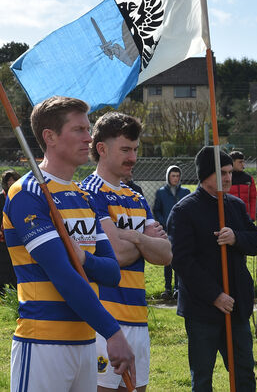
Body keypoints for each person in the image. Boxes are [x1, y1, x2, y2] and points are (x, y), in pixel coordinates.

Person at [4, 96, 135, 392]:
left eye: (88, 129)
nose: (89, 138)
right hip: (42, 343)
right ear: (49, 137)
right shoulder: (27, 193)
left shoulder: (83, 196)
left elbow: (113, 273)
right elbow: (62, 275)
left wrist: (85, 259)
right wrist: (113, 332)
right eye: (79, 130)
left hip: (86, 342)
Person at [81, 111, 172, 392]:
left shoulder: (136, 196)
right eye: (125, 149)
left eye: (135, 149)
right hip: (105, 320)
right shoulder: (87, 193)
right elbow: (116, 255)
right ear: (101, 148)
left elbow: (167, 255)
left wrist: (130, 236)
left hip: (138, 319)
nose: (132, 157)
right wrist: (144, 241)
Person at [167, 147, 257, 392]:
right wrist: (215, 295)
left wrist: (236, 238)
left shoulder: (235, 205)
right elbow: (182, 261)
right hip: (203, 310)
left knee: (244, 372)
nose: (229, 178)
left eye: (230, 172)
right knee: (202, 378)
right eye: (222, 173)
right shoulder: (184, 211)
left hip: (236, 307)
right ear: (205, 176)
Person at [153, 164, 190, 300]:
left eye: (177, 176)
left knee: (179, 259)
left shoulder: (185, 192)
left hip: (180, 231)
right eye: (173, 176)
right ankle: (167, 288)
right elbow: (157, 210)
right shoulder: (161, 192)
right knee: (167, 260)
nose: (175, 178)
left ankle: (178, 288)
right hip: (167, 231)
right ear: (168, 177)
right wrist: (163, 222)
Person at [0, 169, 20, 301]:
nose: (10, 183)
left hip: (17, 240)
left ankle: (15, 298)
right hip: (0, 241)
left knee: (15, 272)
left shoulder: (20, 197)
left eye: (13, 180)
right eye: (8, 181)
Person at [228, 151, 257, 221]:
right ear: (232, 162)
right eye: (240, 162)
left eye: (243, 162)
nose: (243, 164)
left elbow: (253, 198)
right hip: (230, 217)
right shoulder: (226, 178)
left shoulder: (248, 178)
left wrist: (252, 216)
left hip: (246, 218)